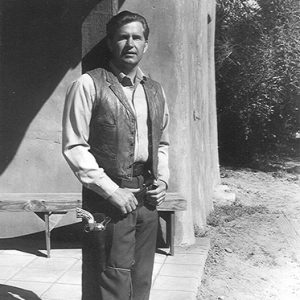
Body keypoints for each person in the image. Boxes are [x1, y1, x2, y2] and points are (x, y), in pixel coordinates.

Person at [62, 10, 170, 300]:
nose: (130, 43)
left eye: (137, 37)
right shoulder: (88, 84)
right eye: (123, 37)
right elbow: (74, 146)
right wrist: (111, 191)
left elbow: (163, 143)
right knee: (111, 281)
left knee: (141, 279)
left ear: (146, 44)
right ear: (110, 43)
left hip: (147, 198)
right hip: (110, 201)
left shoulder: (156, 91)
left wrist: (163, 181)